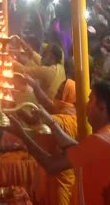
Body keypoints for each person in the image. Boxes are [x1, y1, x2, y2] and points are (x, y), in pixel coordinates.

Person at [9, 81, 110, 205]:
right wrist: (50, 121)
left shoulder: (100, 141)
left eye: (90, 101)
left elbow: (51, 165)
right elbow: (79, 148)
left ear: (102, 107)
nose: (86, 106)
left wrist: (21, 134)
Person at [22, 77, 78, 205]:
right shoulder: (70, 112)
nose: (56, 96)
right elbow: (47, 104)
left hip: (61, 180)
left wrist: (19, 118)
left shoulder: (60, 120)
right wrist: (35, 85)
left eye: (60, 93)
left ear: (68, 96)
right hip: (60, 176)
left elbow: (35, 123)